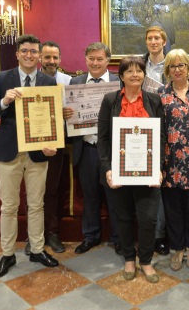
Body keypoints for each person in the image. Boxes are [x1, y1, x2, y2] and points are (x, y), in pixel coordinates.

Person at [0, 34, 59, 278]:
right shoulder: (3, 78)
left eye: (34, 52)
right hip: (9, 152)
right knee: (9, 206)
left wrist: (52, 144)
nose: (29, 55)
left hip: (37, 153)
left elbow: (52, 117)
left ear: (39, 55)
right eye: (25, 51)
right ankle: (7, 254)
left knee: (36, 204)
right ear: (17, 54)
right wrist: (3, 101)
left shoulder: (48, 81)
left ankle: (36, 249)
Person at [97, 56, 165, 284]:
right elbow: (103, 139)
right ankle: (128, 258)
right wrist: (108, 169)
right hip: (119, 172)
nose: (135, 74)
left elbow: (162, 138)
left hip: (148, 172)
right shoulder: (110, 100)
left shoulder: (154, 100)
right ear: (122, 75)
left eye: (139, 70)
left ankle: (145, 261)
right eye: (130, 71)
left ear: (145, 75)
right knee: (123, 217)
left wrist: (159, 168)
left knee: (148, 220)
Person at [69, 43, 121, 255]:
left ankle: (119, 238)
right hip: (87, 148)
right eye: (91, 58)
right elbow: (69, 114)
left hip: (113, 150)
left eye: (100, 59)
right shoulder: (76, 82)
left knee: (115, 197)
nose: (95, 62)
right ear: (86, 59)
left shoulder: (120, 81)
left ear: (108, 61)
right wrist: (67, 114)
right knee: (89, 196)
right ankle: (90, 236)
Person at [159, 49, 189, 272]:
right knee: (173, 207)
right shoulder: (161, 94)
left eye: (181, 65)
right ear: (167, 71)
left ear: (188, 67)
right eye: (172, 66)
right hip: (170, 160)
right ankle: (177, 247)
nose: (177, 70)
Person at [24, 41, 71, 256]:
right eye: (47, 57)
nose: (51, 61)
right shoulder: (29, 80)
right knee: (33, 191)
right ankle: (33, 236)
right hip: (30, 143)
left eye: (55, 58)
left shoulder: (69, 82)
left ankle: (51, 233)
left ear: (60, 60)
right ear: (40, 58)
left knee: (52, 190)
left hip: (56, 143)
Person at [142, 26, 169, 256]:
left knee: (165, 186)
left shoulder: (173, 64)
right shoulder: (138, 65)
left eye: (157, 38)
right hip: (144, 129)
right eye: (149, 38)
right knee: (149, 186)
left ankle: (164, 233)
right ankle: (151, 235)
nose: (153, 41)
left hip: (170, 128)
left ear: (164, 41)